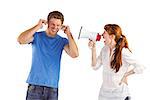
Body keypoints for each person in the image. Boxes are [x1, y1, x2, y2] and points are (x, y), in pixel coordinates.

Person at [17, 11, 79, 100]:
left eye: (58, 25)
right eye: (52, 24)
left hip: (52, 88)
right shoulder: (37, 36)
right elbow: (20, 40)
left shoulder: (62, 41)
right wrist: (37, 26)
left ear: (61, 26)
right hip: (35, 86)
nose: (55, 27)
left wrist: (69, 34)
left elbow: (75, 54)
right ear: (47, 23)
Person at [88, 24, 145, 100]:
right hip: (104, 94)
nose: (102, 35)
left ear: (112, 36)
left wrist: (125, 75)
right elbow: (95, 66)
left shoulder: (123, 52)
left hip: (120, 94)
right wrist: (93, 49)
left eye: (104, 32)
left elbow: (141, 66)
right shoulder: (104, 50)